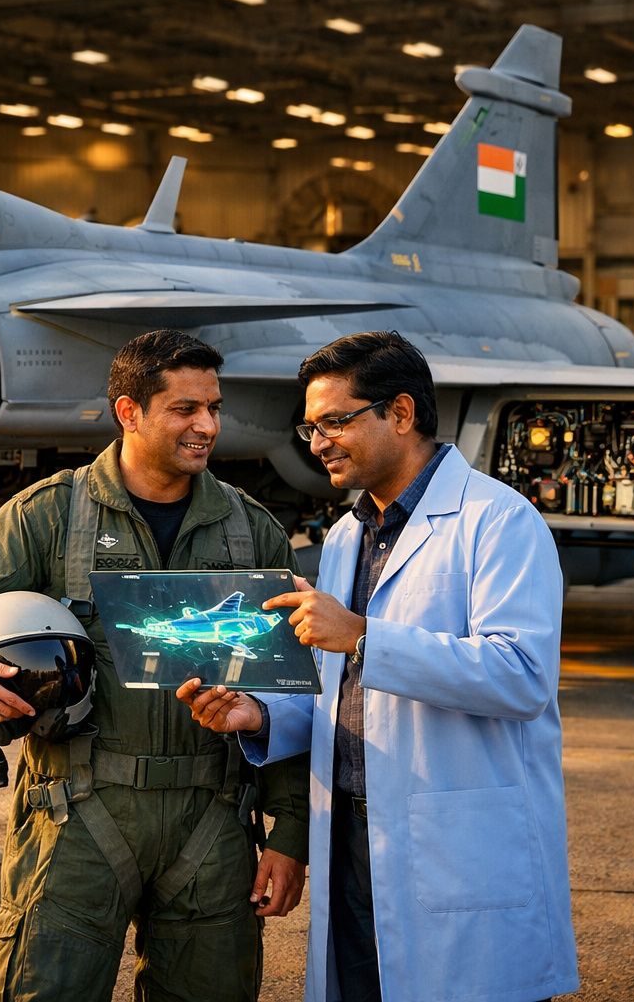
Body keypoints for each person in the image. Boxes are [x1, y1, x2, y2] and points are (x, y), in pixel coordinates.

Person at [0, 329, 311, 1002]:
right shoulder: (52, 515)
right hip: (77, 816)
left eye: (214, 407)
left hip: (213, 821)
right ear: (129, 412)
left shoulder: (250, 530)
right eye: (185, 409)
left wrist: (291, 834)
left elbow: (287, 692)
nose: (207, 425)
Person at [178, 331, 577, 1002]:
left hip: (455, 845)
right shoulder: (346, 536)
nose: (320, 442)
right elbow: (343, 689)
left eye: (335, 421)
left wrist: (363, 634)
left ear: (400, 413)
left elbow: (521, 676)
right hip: (354, 841)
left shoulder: (497, 521)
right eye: (311, 428)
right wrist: (261, 714)